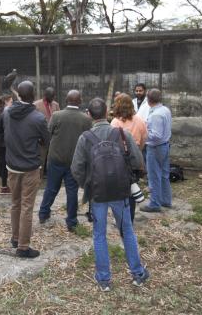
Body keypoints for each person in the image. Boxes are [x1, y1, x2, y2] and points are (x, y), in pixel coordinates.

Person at [71, 98, 149, 292]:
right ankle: (138, 274)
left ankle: (104, 279)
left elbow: (76, 168)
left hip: (97, 193)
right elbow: (137, 160)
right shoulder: (122, 134)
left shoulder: (85, 138)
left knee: (99, 235)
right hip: (121, 192)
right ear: (107, 113)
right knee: (127, 231)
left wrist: (87, 185)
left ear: (89, 115)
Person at [3, 81, 50, 258]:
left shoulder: (7, 113)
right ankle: (23, 247)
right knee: (27, 207)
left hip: (12, 166)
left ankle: (15, 237)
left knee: (15, 203)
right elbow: (47, 141)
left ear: (19, 96)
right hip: (30, 167)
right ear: (33, 96)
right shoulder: (38, 118)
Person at [38, 90, 92, 231]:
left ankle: (43, 213)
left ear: (66, 100)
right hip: (74, 161)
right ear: (79, 101)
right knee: (72, 191)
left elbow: (48, 134)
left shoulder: (56, 116)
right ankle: (72, 221)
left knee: (51, 188)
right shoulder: (86, 119)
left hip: (56, 158)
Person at [110, 93, 147, 221]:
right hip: (134, 158)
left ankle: (119, 217)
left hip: (119, 159)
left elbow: (112, 142)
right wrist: (137, 151)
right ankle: (130, 218)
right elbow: (144, 139)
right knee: (132, 187)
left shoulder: (115, 122)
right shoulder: (140, 120)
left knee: (118, 189)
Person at [140, 89, 172, 213]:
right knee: (164, 175)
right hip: (164, 145)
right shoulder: (165, 110)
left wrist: (144, 134)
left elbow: (156, 135)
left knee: (154, 176)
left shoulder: (156, 115)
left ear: (148, 99)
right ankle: (166, 200)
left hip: (155, 147)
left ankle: (154, 203)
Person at [0, 93, 13, 195]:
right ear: (6, 102)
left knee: (3, 163)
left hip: (1, 142)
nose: (12, 103)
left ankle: (4, 185)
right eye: (11, 101)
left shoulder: (0, 112)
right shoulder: (4, 114)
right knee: (5, 164)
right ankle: (4, 186)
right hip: (5, 143)